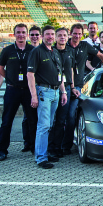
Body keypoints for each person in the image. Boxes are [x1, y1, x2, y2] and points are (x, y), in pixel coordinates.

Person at [64, 24, 103, 155]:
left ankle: (66, 146)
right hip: (64, 86)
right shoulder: (64, 46)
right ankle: (57, 146)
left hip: (78, 86)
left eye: (79, 34)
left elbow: (101, 56)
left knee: (71, 116)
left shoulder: (85, 46)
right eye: (75, 33)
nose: (77, 36)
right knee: (61, 117)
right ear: (70, 33)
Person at [26, 25, 67, 169]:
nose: (50, 37)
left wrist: (63, 91)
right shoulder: (36, 52)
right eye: (47, 34)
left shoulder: (54, 52)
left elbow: (60, 74)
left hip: (55, 92)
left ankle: (44, 152)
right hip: (43, 92)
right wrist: (34, 96)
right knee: (43, 126)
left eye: (52, 34)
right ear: (42, 36)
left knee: (49, 125)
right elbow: (30, 74)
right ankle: (41, 158)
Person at [0, 24, 36, 161]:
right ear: (14, 34)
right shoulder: (7, 50)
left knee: (32, 120)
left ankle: (33, 147)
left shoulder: (33, 50)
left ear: (27, 34)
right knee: (7, 121)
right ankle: (2, 150)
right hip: (12, 90)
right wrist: (10, 77)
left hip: (28, 90)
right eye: (18, 32)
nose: (20, 35)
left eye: (23, 32)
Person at [48, 27, 74, 158]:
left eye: (64, 35)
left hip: (67, 89)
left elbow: (71, 70)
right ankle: (50, 147)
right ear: (56, 38)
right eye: (60, 35)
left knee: (61, 120)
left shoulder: (70, 51)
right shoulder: (51, 52)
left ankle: (58, 147)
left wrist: (73, 86)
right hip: (53, 88)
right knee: (51, 120)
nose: (62, 37)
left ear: (67, 37)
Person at [21, 25, 42, 153]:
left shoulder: (45, 49)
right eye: (32, 35)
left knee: (40, 118)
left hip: (43, 87)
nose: (34, 37)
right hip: (28, 88)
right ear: (29, 36)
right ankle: (27, 142)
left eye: (36, 34)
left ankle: (37, 144)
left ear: (40, 36)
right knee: (27, 118)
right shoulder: (27, 50)